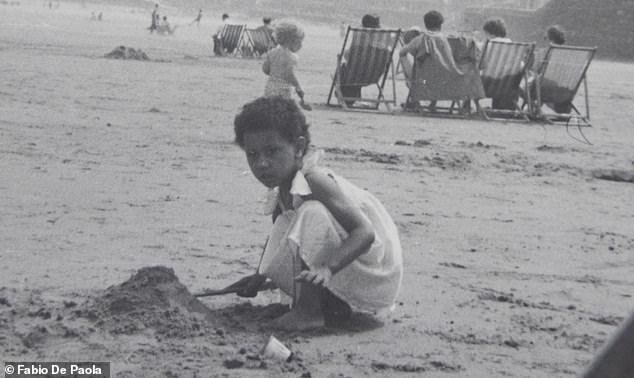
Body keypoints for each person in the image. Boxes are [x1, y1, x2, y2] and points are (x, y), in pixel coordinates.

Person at [232, 96, 403, 331]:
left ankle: (308, 312)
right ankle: (328, 304)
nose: (262, 164)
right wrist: (260, 277)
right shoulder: (282, 190)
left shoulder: (313, 180)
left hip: (374, 271)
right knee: (284, 222)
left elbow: (365, 233)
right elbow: (281, 240)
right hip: (346, 266)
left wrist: (327, 269)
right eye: (252, 154)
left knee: (311, 213)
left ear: (299, 148)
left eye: (272, 151)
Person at [339, 14, 384, 106]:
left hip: (354, 75)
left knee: (347, 68)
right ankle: (354, 97)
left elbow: (348, 55)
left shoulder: (359, 37)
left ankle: (348, 98)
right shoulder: (383, 41)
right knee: (360, 67)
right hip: (373, 76)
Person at [262, 21, 305, 102]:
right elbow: (290, 74)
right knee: (283, 110)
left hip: (269, 88)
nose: (301, 46)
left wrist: (275, 72)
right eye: (299, 42)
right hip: (283, 91)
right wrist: (298, 86)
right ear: (293, 41)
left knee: (270, 109)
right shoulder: (292, 57)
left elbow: (265, 69)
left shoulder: (272, 52)